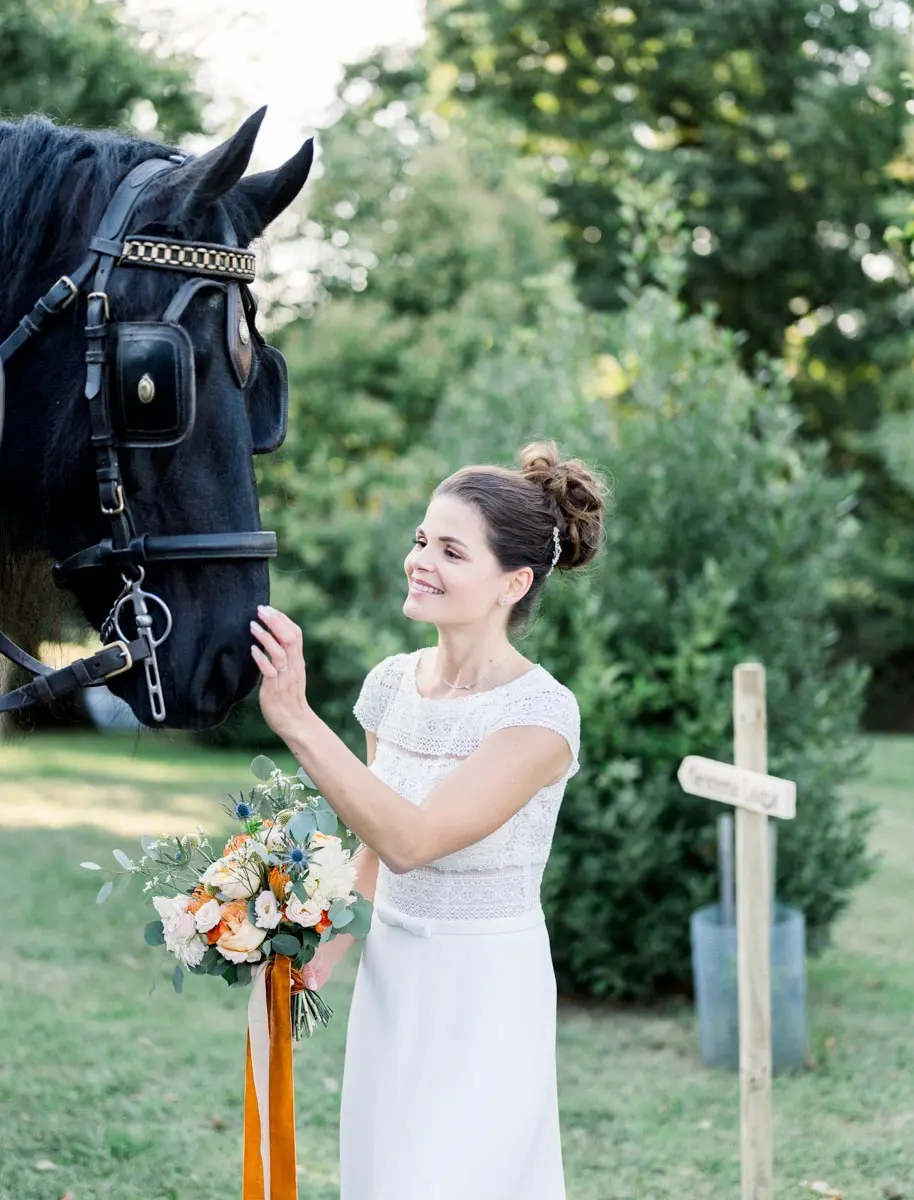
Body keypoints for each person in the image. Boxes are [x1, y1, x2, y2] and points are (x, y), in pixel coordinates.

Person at [250, 439, 607, 1200]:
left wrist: (297, 720)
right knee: (386, 1174)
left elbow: (415, 839)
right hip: (394, 978)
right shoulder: (391, 686)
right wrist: (325, 951)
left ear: (513, 582)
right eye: (421, 540)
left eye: (450, 550)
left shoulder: (541, 715)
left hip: (483, 988)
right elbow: (377, 844)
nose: (421, 560)